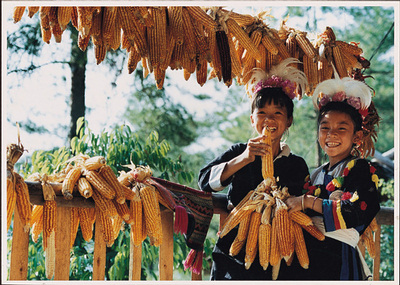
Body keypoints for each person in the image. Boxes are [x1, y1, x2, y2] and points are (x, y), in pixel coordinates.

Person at [198, 58, 309, 280]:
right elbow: (204, 182)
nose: (269, 119)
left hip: (278, 249)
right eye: (262, 113)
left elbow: (304, 202)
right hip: (235, 250)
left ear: (289, 121)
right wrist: (244, 158)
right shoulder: (241, 151)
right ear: (252, 119)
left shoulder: (296, 164)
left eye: (278, 113)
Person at [285, 76, 381, 280]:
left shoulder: (361, 169)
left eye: (341, 128)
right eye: (325, 127)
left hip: (339, 260)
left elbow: (357, 211)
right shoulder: (315, 174)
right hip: (307, 257)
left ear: (357, 137)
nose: (331, 134)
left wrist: (308, 202)